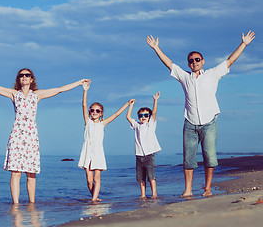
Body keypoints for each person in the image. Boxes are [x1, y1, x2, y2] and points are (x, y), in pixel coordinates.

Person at [146, 31, 255, 197]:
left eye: (197, 59)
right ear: (188, 64)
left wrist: (244, 44)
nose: (194, 62)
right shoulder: (184, 77)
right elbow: (169, 63)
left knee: (209, 157)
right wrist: (156, 48)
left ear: (202, 61)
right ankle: (188, 190)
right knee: (188, 160)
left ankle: (207, 189)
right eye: (191, 61)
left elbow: (230, 60)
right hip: (190, 123)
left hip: (209, 123)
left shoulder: (212, 74)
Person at [0, 68, 89, 203]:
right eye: (21, 75)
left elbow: (59, 89)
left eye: (27, 75)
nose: (24, 77)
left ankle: (31, 204)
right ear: (18, 79)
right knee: (15, 173)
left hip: (31, 137)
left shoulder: (37, 95)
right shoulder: (14, 94)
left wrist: (79, 83)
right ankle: (16, 205)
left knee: (31, 173)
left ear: (31, 79)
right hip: (17, 136)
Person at [78, 80, 133, 202]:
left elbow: (117, 114)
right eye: (92, 110)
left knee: (97, 178)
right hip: (87, 150)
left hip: (97, 152)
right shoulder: (87, 122)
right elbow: (84, 105)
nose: (94, 112)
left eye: (97, 111)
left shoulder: (103, 123)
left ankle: (94, 199)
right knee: (89, 179)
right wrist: (85, 91)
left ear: (101, 112)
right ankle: (95, 197)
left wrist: (127, 104)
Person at [126, 92, 162, 199]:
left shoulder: (151, 124)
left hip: (149, 153)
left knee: (151, 175)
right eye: (141, 115)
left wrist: (155, 100)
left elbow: (154, 112)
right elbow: (128, 116)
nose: (143, 117)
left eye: (146, 115)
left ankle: (154, 194)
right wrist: (131, 105)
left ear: (149, 116)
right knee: (141, 177)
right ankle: (143, 195)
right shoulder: (136, 125)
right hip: (139, 154)